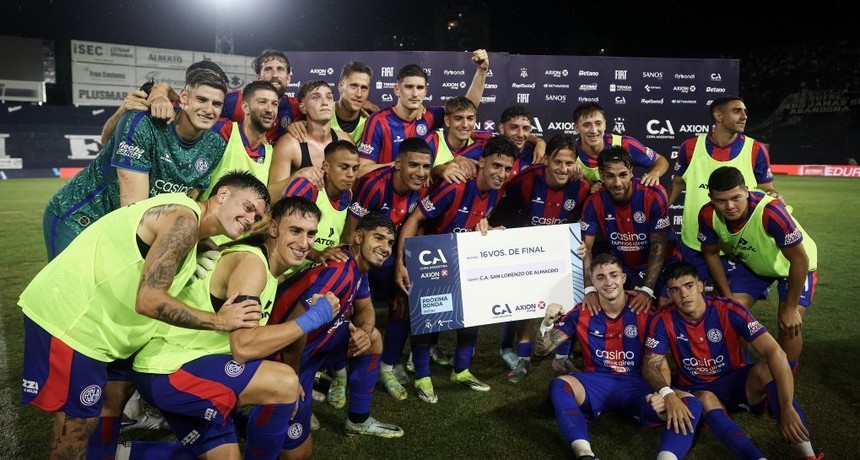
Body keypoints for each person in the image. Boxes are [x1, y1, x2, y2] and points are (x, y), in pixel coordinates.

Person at [19, 171, 269, 458]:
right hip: (73, 321)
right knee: (78, 422)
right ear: (222, 194)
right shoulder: (184, 221)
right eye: (248, 207)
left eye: (257, 216)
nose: (250, 219)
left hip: (102, 327)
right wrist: (219, 321)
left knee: (115, 393)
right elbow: (149, 300)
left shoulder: (191, 227)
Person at [124, 196, 339, 459]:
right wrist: (311, 320)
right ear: (273, 229)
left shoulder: (270, 270)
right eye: (295, 231)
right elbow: (244, 347)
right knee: (283, 381)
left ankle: (117, 454)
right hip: (170, 369)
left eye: (311, 234)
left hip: (186, 367)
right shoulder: (252, 264)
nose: (304, 243)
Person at [43, 68, 229, 260]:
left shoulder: (214, 146)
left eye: (216, 104)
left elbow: (187, 200)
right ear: (184, 98)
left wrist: (195, 240)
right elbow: (133, 211)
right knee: (69, 288)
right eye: (201, 100)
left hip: (121, 230)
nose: (209, 110)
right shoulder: (143, 123)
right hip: (81, 218)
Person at [259, 212, 404, 459]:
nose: (385, 247)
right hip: (285, 356)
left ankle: (358, 420)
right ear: (358, 236)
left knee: (373, 339)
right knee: (296, 452)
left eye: (390, 242)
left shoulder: (358, 267)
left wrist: (364, 332)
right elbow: (295, 329)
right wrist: (291, 380)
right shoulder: (339, 270)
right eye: (378, 238)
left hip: (315, 345)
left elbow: (366, 308)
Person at [643, 262, 823, 460]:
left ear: (700, 286)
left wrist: (787, 406)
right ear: (669, 293)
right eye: (675, 290)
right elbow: (651, 364)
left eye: (689, 286)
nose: (684, 295)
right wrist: (666, 393)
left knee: (766, 370)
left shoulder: (728, 309)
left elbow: (774, 351)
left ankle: (807, 454)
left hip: (738, 384)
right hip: (700, 389)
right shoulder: (662, 319)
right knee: (704, 397)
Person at [534, 254, 703, 460]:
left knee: (691, 404)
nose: (608, 282)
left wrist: (662, 392)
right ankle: (584, 453)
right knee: (559, 386)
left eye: (613, 275)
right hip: (597, 382)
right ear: (593, 282)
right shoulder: (582, 311)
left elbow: (659, 362)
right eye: (601, 277)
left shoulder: (646, 310)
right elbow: (542, 350)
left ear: (623, 277)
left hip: (638, 384)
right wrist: (547, 323)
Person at [394, 135, 519, 400]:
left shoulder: (498, 191)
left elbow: (476, 217)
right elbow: (414, 219)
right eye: (496, 165)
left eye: (507, 169)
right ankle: (423, 376)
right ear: (482, 162)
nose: (501, 173)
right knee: (427, 320)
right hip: (430, 260)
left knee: (472, 313)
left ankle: (461, 370)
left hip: (462, 258)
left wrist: (484, 225)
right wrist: (402, 263)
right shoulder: (456, 186)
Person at [490, 133, 590, 381]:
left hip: (561, 254)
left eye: (569, 163)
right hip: (528, 252)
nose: (563, 169)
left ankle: (561, 359)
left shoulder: (582, 186)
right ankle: (523, 358)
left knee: (566, 304)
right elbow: (500, 209)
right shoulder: (524, 180)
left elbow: (586, 221)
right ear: (546, 159)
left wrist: (585, 245)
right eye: (558, 162)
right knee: (526, 306)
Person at [698, 166, 817, 362]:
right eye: (721, 200)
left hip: (793, 266)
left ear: (746, 190)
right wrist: (728, 297)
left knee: (788, 324)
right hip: (756, 264)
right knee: (730, 314)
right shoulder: (707, 214)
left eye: (735, 198)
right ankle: (742, 369)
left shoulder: (770, 212)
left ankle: (783, 381)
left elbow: (799, 260)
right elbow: (710, 254)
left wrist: (790, 307)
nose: (729, 206)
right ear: (711, 197)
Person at [346, 137, 432, 401]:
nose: (420, 173)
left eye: (426, 166)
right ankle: (340, 371)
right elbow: (352, 232)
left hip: (394, 256)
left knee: (405, 301)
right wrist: (353, 274)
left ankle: (386, 368)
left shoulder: (424, 187)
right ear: (397, 164)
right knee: (352, 309)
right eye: (413, 165)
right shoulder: (373, 185)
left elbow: (418, 227)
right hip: (364, 258)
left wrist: (403, 267)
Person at [668, 96, 780, 281]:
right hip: (695, 240)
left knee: (728, 303)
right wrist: (661, 209)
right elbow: (678, 182)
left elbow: (766, 188)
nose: (744, 116)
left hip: (739, 242)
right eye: (737, 111)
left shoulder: (756, 149)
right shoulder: (689, 147)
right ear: (718, 116)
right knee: (693, 299)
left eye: (745, 112)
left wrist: (775, 196)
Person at [580, 146, 681, 314]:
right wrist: (589, 289)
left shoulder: (653, 195)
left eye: (623, 175)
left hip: (664, 263)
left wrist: (647, 289)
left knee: (668, 308)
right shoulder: (593, 202)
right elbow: (586, 249)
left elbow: (658, 246)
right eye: (610, 176)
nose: (617, 183)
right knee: (610, 308)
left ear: (632, 172)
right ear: (601, 174)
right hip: (624, 266)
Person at [357, 49, 489, 176]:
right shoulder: (378, 121)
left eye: (419, 88)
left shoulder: (429, 116)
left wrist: (482, 71)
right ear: (397, 90)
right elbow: (362, 170)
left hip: (417, 196)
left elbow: (465, 108)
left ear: (425, 91)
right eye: (409, 87)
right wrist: (400, 165)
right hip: (385, 194)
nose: (415, 94)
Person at [269, 80, 354, 199]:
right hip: (300, 215)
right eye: (316, 98)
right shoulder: (289, 144)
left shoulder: (346, 140)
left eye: (329, 97)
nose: (325, 102)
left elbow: (352, 189)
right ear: (303, 108)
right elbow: (271, 195)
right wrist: (297, 176)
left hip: (335, 215)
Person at [571, 101, 669, 188]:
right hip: (591, 207)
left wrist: (654, 173)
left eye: (598, 123)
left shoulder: (625, 144)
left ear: (605, 124)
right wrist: (588, 186)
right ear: (576, 128)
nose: (593, 130)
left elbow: (660, 160)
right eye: (586, 125)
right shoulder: (570, 153)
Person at [288, 61, 377, 145]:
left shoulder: (372, 122)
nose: (359, 94)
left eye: (364, 88)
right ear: (340, 86)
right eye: (353, 86)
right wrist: (294, 126)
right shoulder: (320, 113)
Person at [497, 104, 547, 173]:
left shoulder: (538, 153)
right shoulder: (488, 150)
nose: (520, 134)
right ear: (502, 128)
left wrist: (540, 142)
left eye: (525, 129)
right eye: (514, 127)